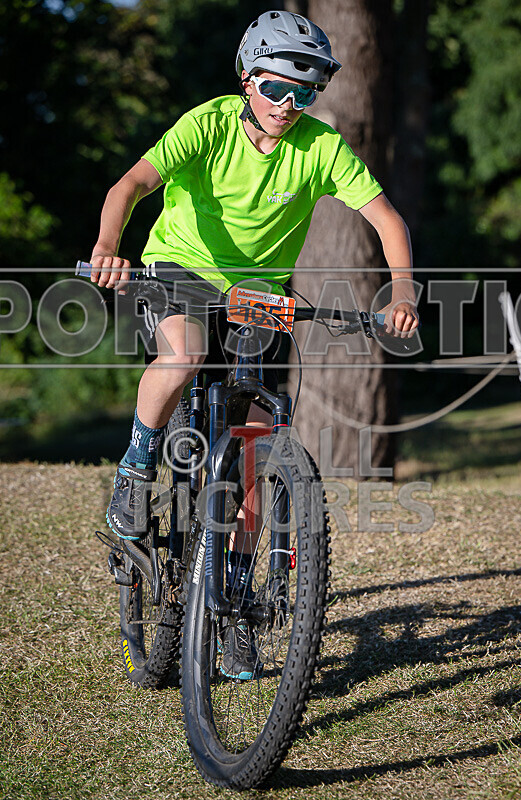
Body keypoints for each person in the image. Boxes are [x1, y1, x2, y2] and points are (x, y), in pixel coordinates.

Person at [90, 10, 419, 676]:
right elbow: (128, 186)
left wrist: (403, 292)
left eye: (304, 93)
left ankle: (234, 604)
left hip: (259, 298)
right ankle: (134, 470)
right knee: (180, 357)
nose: (288, 106)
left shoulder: (318, 147)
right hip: (177, 270)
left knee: (253, 453)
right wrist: (106, 248)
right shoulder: (207, 124)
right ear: (247, 80)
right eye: (276, 89)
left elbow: (385, 218)